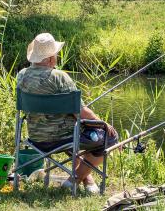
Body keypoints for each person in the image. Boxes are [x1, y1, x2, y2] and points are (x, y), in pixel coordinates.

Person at [16, 32, 118, 194]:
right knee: (110, 137)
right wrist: (103, 123)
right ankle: (73, 180)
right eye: (56, 54)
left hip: (36, 139)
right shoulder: (60, 77)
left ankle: (88, 180)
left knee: (73, 129)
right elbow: (80, 112)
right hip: (62, 138)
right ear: (51, 59)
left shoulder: (22, 75)